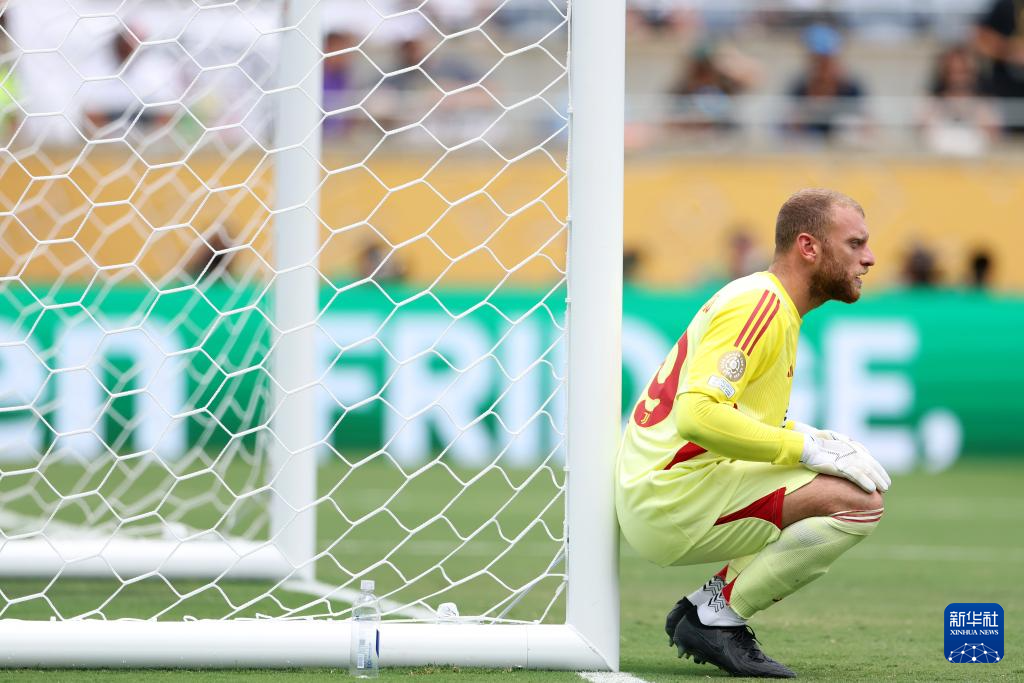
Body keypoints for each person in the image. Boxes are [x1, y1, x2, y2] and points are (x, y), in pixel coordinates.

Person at [616, 189, 890, 678]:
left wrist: (813, 438)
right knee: (856, 500)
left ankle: (708, 606)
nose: (868, 258)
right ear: (809, 247)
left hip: (676, 484)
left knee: (845, 481)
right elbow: (698, 415)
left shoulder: (772, 305)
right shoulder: (760, 304)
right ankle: (715, 615)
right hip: (669, 495)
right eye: (855, 243)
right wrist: (806, 448)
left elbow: (740, 420)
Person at [786, 24, 866, 139]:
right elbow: (790, 125)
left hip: (842, 145)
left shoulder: (850, 85)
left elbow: (867, 125)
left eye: (826, 59)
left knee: (848, 127)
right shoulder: (800, 84)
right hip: (808, 143)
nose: (821, 64)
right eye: (817, 59)